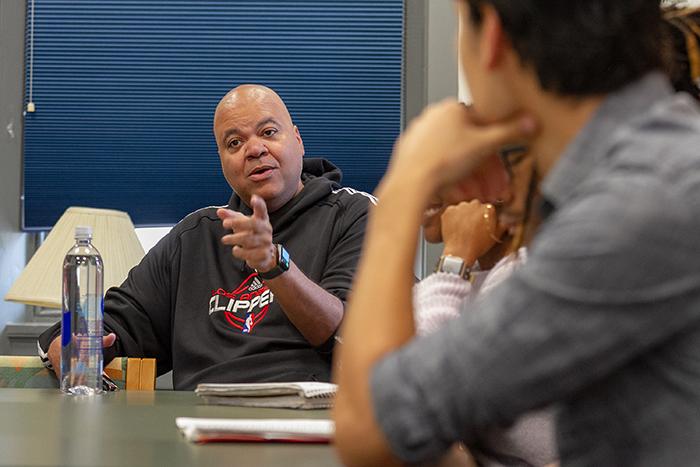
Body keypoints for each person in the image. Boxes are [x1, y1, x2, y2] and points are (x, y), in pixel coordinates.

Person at [334, 1, 700, 466]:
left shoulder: (638, 204)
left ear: (492, 39)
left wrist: (406, 180)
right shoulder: (656, 170)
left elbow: (369, 430)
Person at [38, 84, 374, 390]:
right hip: (200, 422)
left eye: (268, 132)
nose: (254, 149)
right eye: (234, 143)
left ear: (298, 140)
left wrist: (274, 264)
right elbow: (119, 319)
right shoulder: (194, 236)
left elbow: (348, 333)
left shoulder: (355, 214)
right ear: (223, 162)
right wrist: (68, 341)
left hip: (308, 420)